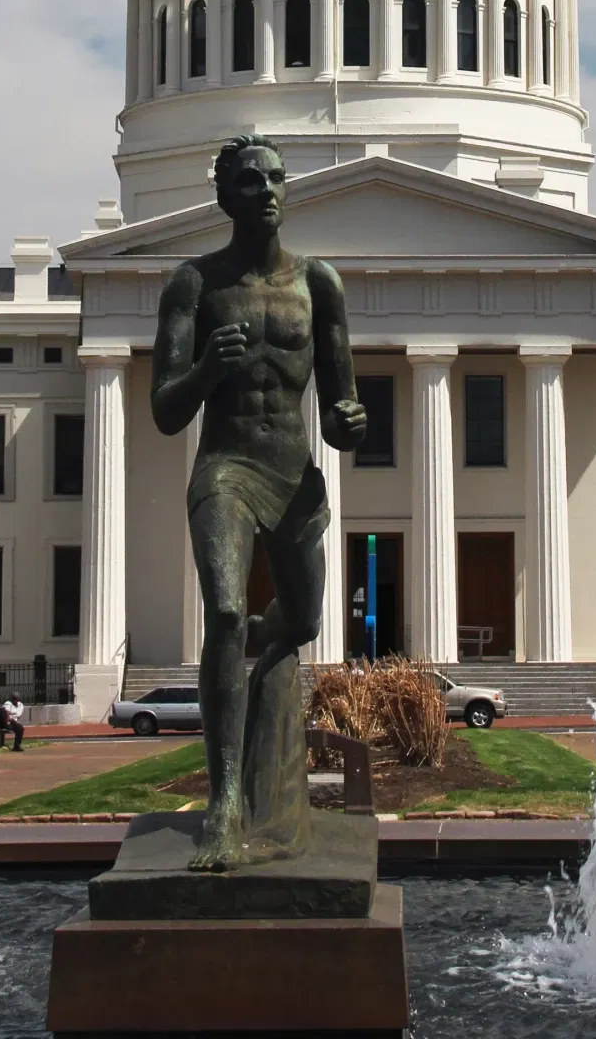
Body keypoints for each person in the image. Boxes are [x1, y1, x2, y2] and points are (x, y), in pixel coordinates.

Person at [152, 133, 366, 871]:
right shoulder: (194, 284)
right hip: (226, 468)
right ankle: (223, 804)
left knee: (298, 622)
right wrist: (209, 367)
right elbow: (165, 411)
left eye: (276, 178)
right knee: (222, 614)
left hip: (294, 474)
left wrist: (347, 422)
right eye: (250, 180)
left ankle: (264, 735)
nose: (267, 190)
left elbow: (339, 401)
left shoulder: (319, 285)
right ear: (223, 195)